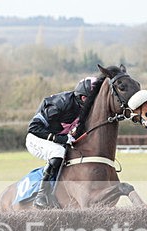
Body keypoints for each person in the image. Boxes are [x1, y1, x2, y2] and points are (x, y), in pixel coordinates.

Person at [26, 77, 96, 208]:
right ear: (83, 98)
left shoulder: (83, 107)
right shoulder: (60, 103)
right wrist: (62, 139)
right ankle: (41, 196)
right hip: (36, 138)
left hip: (59, 140)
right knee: (58, 152)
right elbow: (33, 128)